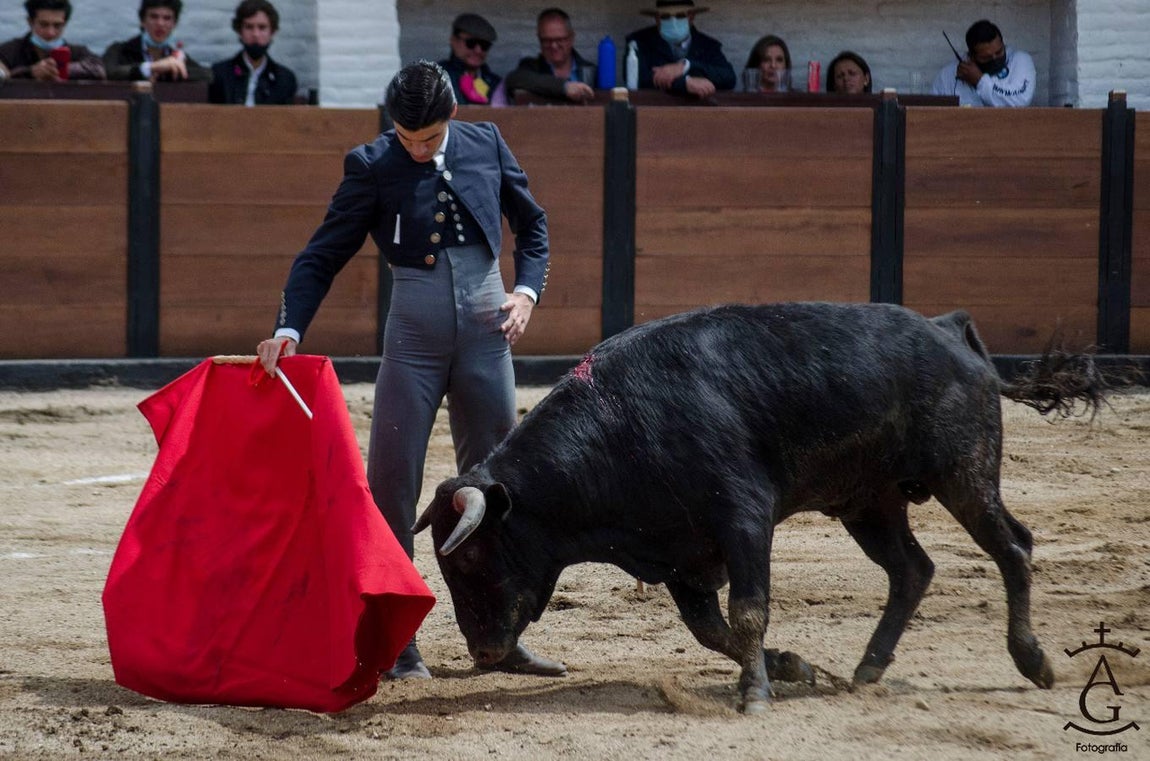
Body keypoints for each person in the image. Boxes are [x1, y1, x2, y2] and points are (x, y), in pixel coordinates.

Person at [255, 60, 562, 680]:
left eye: (429, 138)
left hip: (486, 336)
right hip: (413, 343)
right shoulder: (372, 164)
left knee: (499, 489)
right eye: (406, 138)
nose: (417, 150)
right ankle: (399, 645)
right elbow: (322, 254)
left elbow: (532, 227)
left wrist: (526, 293)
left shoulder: (485, 142)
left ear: (452, 117)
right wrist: (288, 328)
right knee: (392, 487)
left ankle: (501, 638)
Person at [625, 0, 736, 97]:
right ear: (657, 19)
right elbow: (637, 79)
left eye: (680, 16)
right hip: (655, 113)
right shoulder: (639, 42)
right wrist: (684, 83)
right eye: (665, 16)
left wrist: (685, 66)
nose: (673, 21)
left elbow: (728, 77)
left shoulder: (707, 45)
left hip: (700, 112)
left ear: (691, 17)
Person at [209, 0, 298, 105]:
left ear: (272, 32)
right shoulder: (220, 74)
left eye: (262, 28)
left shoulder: (284, 79)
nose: (255, 34)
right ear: (239, 31)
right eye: (249, 27)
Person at [929, 19, 1035, 107]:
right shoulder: (948, 74)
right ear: (971, 56)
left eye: (999, 52)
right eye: (986, 57)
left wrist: (979, 80)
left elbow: (1020, 101)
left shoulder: (1020, 60)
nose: (995, 59)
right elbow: (932, 109)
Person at [103, 0, 211, 82]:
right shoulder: (119, 50)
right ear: (142, 21)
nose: (160, 23)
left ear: (174, 24)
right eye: (154, 17)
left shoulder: (177, 57)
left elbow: (209, 75)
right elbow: (109, 71)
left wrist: (169, 71)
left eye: (167, 18)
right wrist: (151, 68)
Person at [504, 7, 595, 103]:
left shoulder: (590, 70)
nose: (553, 46)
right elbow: (514, 79)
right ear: (539, 39)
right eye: (546, 40)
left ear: (571, 38)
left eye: (559, 39)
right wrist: (564, 87)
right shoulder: (531, 67)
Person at [0, 0, 105, 81]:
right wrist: (31, 72)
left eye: (57, 25)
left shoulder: (77, 52)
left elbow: (98, 70)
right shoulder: (8, 52)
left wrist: (60, 69)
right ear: (30, 22)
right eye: (44, 24)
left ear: (65, 24)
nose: (51, 32)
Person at [439, 12, 501, 105]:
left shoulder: (496, 83)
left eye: (485, 45)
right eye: (471, 43)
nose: (478, 50)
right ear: (453, 41)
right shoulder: (437, 77)